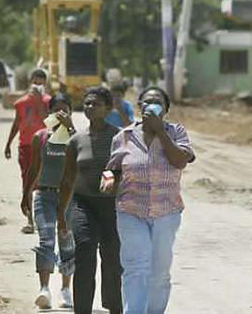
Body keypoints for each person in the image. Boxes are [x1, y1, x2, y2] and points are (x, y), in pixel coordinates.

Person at [104, 86, 195, 314]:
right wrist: (108, 178)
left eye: (157, 103)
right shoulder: (123, 136)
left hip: (166, 211)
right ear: (139, 107)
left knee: (159, 272)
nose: (151, 106)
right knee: (135, 267)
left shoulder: (176, 132)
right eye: (147, 102)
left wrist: (160, 132)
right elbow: (112, 168)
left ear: (165, 109)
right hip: (131, 210)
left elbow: (180, 161)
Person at [58, 86, 123, 314]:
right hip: (83, 204)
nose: (89, 107)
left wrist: (115, 178)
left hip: (112, 207)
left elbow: (129, 170)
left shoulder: (120, 137)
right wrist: (61, 215)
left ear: (108, 108)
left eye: (95, 103)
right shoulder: (76, 141)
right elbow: (67, 180)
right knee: (84, 253)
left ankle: (115, 307)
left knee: (112, 259)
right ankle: (82, 309)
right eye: (86, 103)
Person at [21, 93, 76, 310]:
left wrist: (70, 128)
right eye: (56, 110)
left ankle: (65, 289)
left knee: (66, 242)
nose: (60, 114)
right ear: (49, 112)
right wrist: (25, 193)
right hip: (44, 194)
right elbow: (33, 168)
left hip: (69, 197)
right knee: (45, 240)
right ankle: (44, 289)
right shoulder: (40, 137)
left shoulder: (75, 138)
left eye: (65, 110)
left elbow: (80, 159)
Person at [4, 68, 51, 234]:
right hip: (26, 146)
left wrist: (39, 103)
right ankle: (30, 220)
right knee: (27, 181)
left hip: (45, 145)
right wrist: (8, 143)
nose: (38, 84)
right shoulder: (21, 103)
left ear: (45, 83)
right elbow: (17, 123)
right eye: (35, 81)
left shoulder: (49, 102)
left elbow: (49, 122)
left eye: (41, 81)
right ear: (30, 82)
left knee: (46, 183)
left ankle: (46, 218)